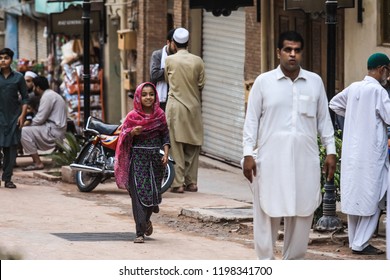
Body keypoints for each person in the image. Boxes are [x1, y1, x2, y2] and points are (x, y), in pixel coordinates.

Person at [242, 31, 337, 260]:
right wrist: (247, 154)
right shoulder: (264, 83)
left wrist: (331, 151)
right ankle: (265, 264)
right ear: (278, 52)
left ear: (301, 53)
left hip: (305, 160)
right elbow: (251, 120)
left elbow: (324, 120)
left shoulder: (314, 82)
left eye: (297, 50)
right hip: (270, 160)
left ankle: (292, 265)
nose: (292, 55)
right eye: (287, 50)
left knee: (303, 211)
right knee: (267, 210)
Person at [329, 52, 390, 255]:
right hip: (371, 155)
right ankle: (360, 243)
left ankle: (355, 241)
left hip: (352, 155)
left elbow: (334, 103)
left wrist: (355, 113)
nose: (387, 77)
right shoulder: (379, 92)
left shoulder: (354, 87)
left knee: (356, 198)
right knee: (375, 198)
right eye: (387, 72)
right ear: (382, 69)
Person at [115, 82, 170, 243]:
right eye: (144, 94)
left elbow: (165, 136)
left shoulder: (160, 115)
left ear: (155, 97)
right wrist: (132, 132)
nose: (148, 97)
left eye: (151, 94)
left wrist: (166, 154)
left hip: (155, 160)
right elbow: (122, 136)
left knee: (151, 194)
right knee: (138, 195)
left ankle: (145, 221)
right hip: (138, 159)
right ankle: (139, 232)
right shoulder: (132, 116)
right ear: (139, 97)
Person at [164, 27, 206, 193]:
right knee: (193, 145)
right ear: (188, 43)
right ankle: (192, 182)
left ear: (173, 43)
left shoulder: (169, 60)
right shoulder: (198, 61)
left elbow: (168, 80)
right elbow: (201, 84)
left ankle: (178, 183)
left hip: (176, 106)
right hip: (194, 106)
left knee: (176, 145)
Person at [20, 75, 67, 171]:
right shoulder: (50, 95)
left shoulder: (47, 96)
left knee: (23, 132)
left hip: (53, 131)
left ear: (37, 87)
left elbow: (39, 119)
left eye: (33, 87)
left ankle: (38, 163)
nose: (33, 89)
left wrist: (24, 125)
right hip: (54, 129)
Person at [0, 48, 28, 189]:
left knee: (11, 151)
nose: (3, 60)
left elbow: (25, 99)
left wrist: (22, 116)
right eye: (1, 58)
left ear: (11, 60)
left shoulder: (18, 77)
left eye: (6, 57)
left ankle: (8, 179)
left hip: (13, 118)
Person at [150, 28, 176, 111]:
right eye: (174, 44)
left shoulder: (181, 57)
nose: (177, 47)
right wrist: (173, 70)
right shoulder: (158, 55)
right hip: (161, 100)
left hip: (176, 99)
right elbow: (154, 75)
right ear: (168, 42)